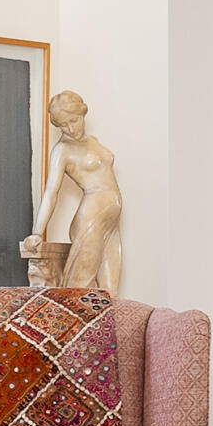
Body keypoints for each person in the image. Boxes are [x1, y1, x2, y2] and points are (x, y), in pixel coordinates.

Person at [25, 89, 122, 292]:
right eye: (63, 125)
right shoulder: (62, 150)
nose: (70, 128)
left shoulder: (94, 141)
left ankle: (104, 325)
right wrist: (37, 232)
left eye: (74, 120)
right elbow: (51, 192)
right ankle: (67, 323)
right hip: (91, 216)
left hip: (111, 220)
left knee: (111, 290)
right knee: (79, 287)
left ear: (83, 113)